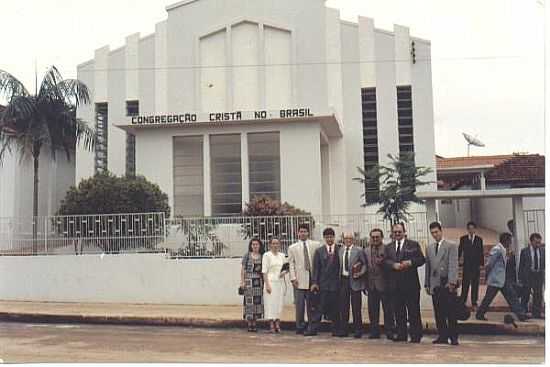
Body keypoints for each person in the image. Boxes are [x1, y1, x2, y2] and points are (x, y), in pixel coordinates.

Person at [384, 223, 426, 343]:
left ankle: (416, 335)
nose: (397, 234)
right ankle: (401, 334)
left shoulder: (413, 244)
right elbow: (384, 261)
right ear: (392, 233)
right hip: (395, 286)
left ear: (404, 231)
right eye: (395, 232)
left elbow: (421, 259)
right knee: (399, 311)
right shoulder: (389, 247)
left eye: (399, 231)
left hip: (410, 285)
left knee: (413, 311)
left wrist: (410, 262)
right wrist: (392, 265)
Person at [476, 232, 527, 321]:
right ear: (506, 240)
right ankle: (479, 314)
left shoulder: (503, 249)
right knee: (488, 298)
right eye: (510, 241)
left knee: (512, 296)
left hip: (503, 279)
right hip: (496, 279)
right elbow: (489, 264)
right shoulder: (497, 249)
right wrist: (487, 276)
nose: (510, 243)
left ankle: (521, 314)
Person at [425, 222, 460, 345]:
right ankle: (442, 336)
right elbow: (428, 268)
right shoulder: (429, 248)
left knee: (450, 312)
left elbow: (453, 265)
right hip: (435, 284)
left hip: (446, 283)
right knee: (438, 312)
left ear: (441, 231)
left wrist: (452, 282)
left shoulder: (451, 246)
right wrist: (427, 284)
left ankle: (453, 337)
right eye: (432, 233)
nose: (435, 234)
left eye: (436, 232)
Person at [288, 223, 321, 334]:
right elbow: (291, 264)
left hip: (312, 280)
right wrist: (293, 278)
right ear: (297, 233)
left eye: (305, 231)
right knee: (299, 305)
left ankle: (312, 326)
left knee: (312, 305)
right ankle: (300, 326)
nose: (302, 233)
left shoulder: (315, 245)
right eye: (301, 231)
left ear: (308, 233)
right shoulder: (292, 247)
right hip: (299, 280)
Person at [308, 227, 341, 336]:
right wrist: (314, 283)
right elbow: (316, 268)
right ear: (324, 238)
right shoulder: (319, 251)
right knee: (319, 308)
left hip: (336, 285)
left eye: (331, 237)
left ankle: (336, 330)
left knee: (335, 309)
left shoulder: (339, 249)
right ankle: (313, 329)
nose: (329, 239)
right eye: (327, 237)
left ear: (334, 237)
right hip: (322, 285)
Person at [364, 228, 394, 340]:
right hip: (371, 284)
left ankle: (389, 331)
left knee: (388, 310)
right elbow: (365, 266)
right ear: (370, 238)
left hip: (384, 284)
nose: (375, 239)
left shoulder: (387, 249)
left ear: (382, 237)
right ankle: (374, 331)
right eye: (373, 237)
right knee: (372, 310)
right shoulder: (366, 250)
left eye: (377, 237)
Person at [337, 232, 367, 338]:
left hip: (355, 281)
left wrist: (360, 273)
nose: (348, 240)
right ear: (343, 240)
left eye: (350, 238)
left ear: (353, 240)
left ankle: (358, 330)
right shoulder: (340, 250)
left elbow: (364, 265)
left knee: (356, 307)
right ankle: (344, 330)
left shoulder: (359, 250)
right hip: (343, 281)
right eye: (346, 238)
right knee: (343, 307)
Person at [262, 237, 288, 333]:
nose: (275, 245)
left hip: (279, 282)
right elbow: (264, 271)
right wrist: (267, 284)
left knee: (278, 303)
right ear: (270, 245)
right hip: (270, 281)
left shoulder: (282, 255)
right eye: (273, 243)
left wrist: (284, 273)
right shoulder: (267, 255)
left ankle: (278, 323)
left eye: (277, 243)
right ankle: (271, 324)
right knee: (270, 303)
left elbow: (286, 267)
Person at [240, 238, 265, 332]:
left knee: (257, 302)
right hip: (248, 281)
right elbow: (243, 270)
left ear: (260, 246)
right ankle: (249, 323)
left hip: (258, 282)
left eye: (257, 244)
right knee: (249, 302)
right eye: (253, 244)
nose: (255, 246)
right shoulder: (247, 256)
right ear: (251, 246)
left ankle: (255, 323)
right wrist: (242, 282)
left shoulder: (262, 256)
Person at [519, 233, 545, 319]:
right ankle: (523, 312)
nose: (538, 244)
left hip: (538, 275)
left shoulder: (543, 251)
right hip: (528, 275)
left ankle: (536, 313)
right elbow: (521, 266)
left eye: (539, 242)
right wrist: (520, 278)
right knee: (525, 293)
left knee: (538, 295)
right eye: (536, 242)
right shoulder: (524, 251)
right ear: (531, 241)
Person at [459, 221, 484, 308]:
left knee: (475, 284)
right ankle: (463, 300)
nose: (471, 230)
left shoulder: (479, 239)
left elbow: (481, 252)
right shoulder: (463, 239)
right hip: (466, 265)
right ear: (467, 229)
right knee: (465, 283)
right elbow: (460, 250)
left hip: (475, 265)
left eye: (472, 228)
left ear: (475, 229)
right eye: (469, 228)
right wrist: (458, 260)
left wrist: (481, 264)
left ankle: (474, 301)